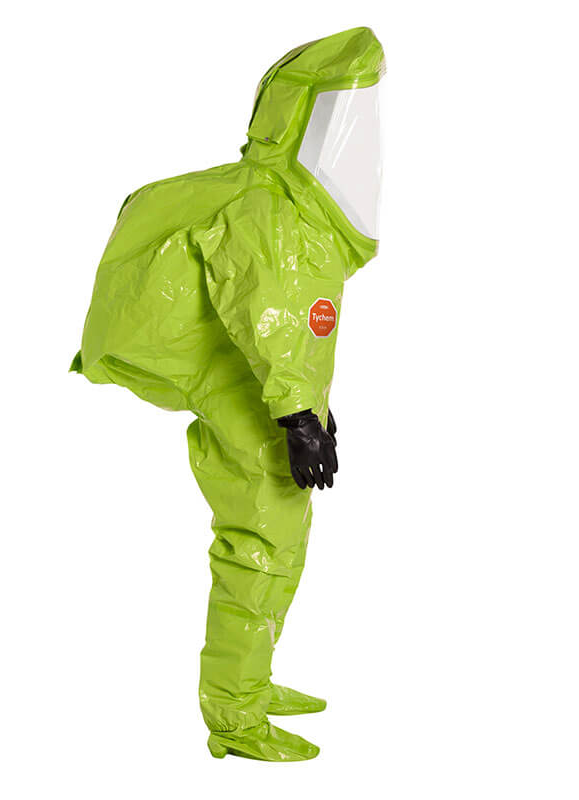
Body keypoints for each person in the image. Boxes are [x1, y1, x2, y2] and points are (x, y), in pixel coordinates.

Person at [72, 26, 384, 761]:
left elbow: (275, 329)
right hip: (247, 390)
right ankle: (236, 715)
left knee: (277, 535)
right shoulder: (277, 213)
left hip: (245, 380)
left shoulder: (267, 198)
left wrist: (310, 406)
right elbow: (275, 318)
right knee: (262, 542)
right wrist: (299, 416)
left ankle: (251, 679)